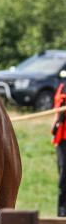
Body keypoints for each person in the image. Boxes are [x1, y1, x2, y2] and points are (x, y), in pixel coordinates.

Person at [51, 82, 66, 217]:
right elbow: (57, 109)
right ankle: (62, 214)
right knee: (63, 176)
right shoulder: (63, 86)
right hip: (63, 140)